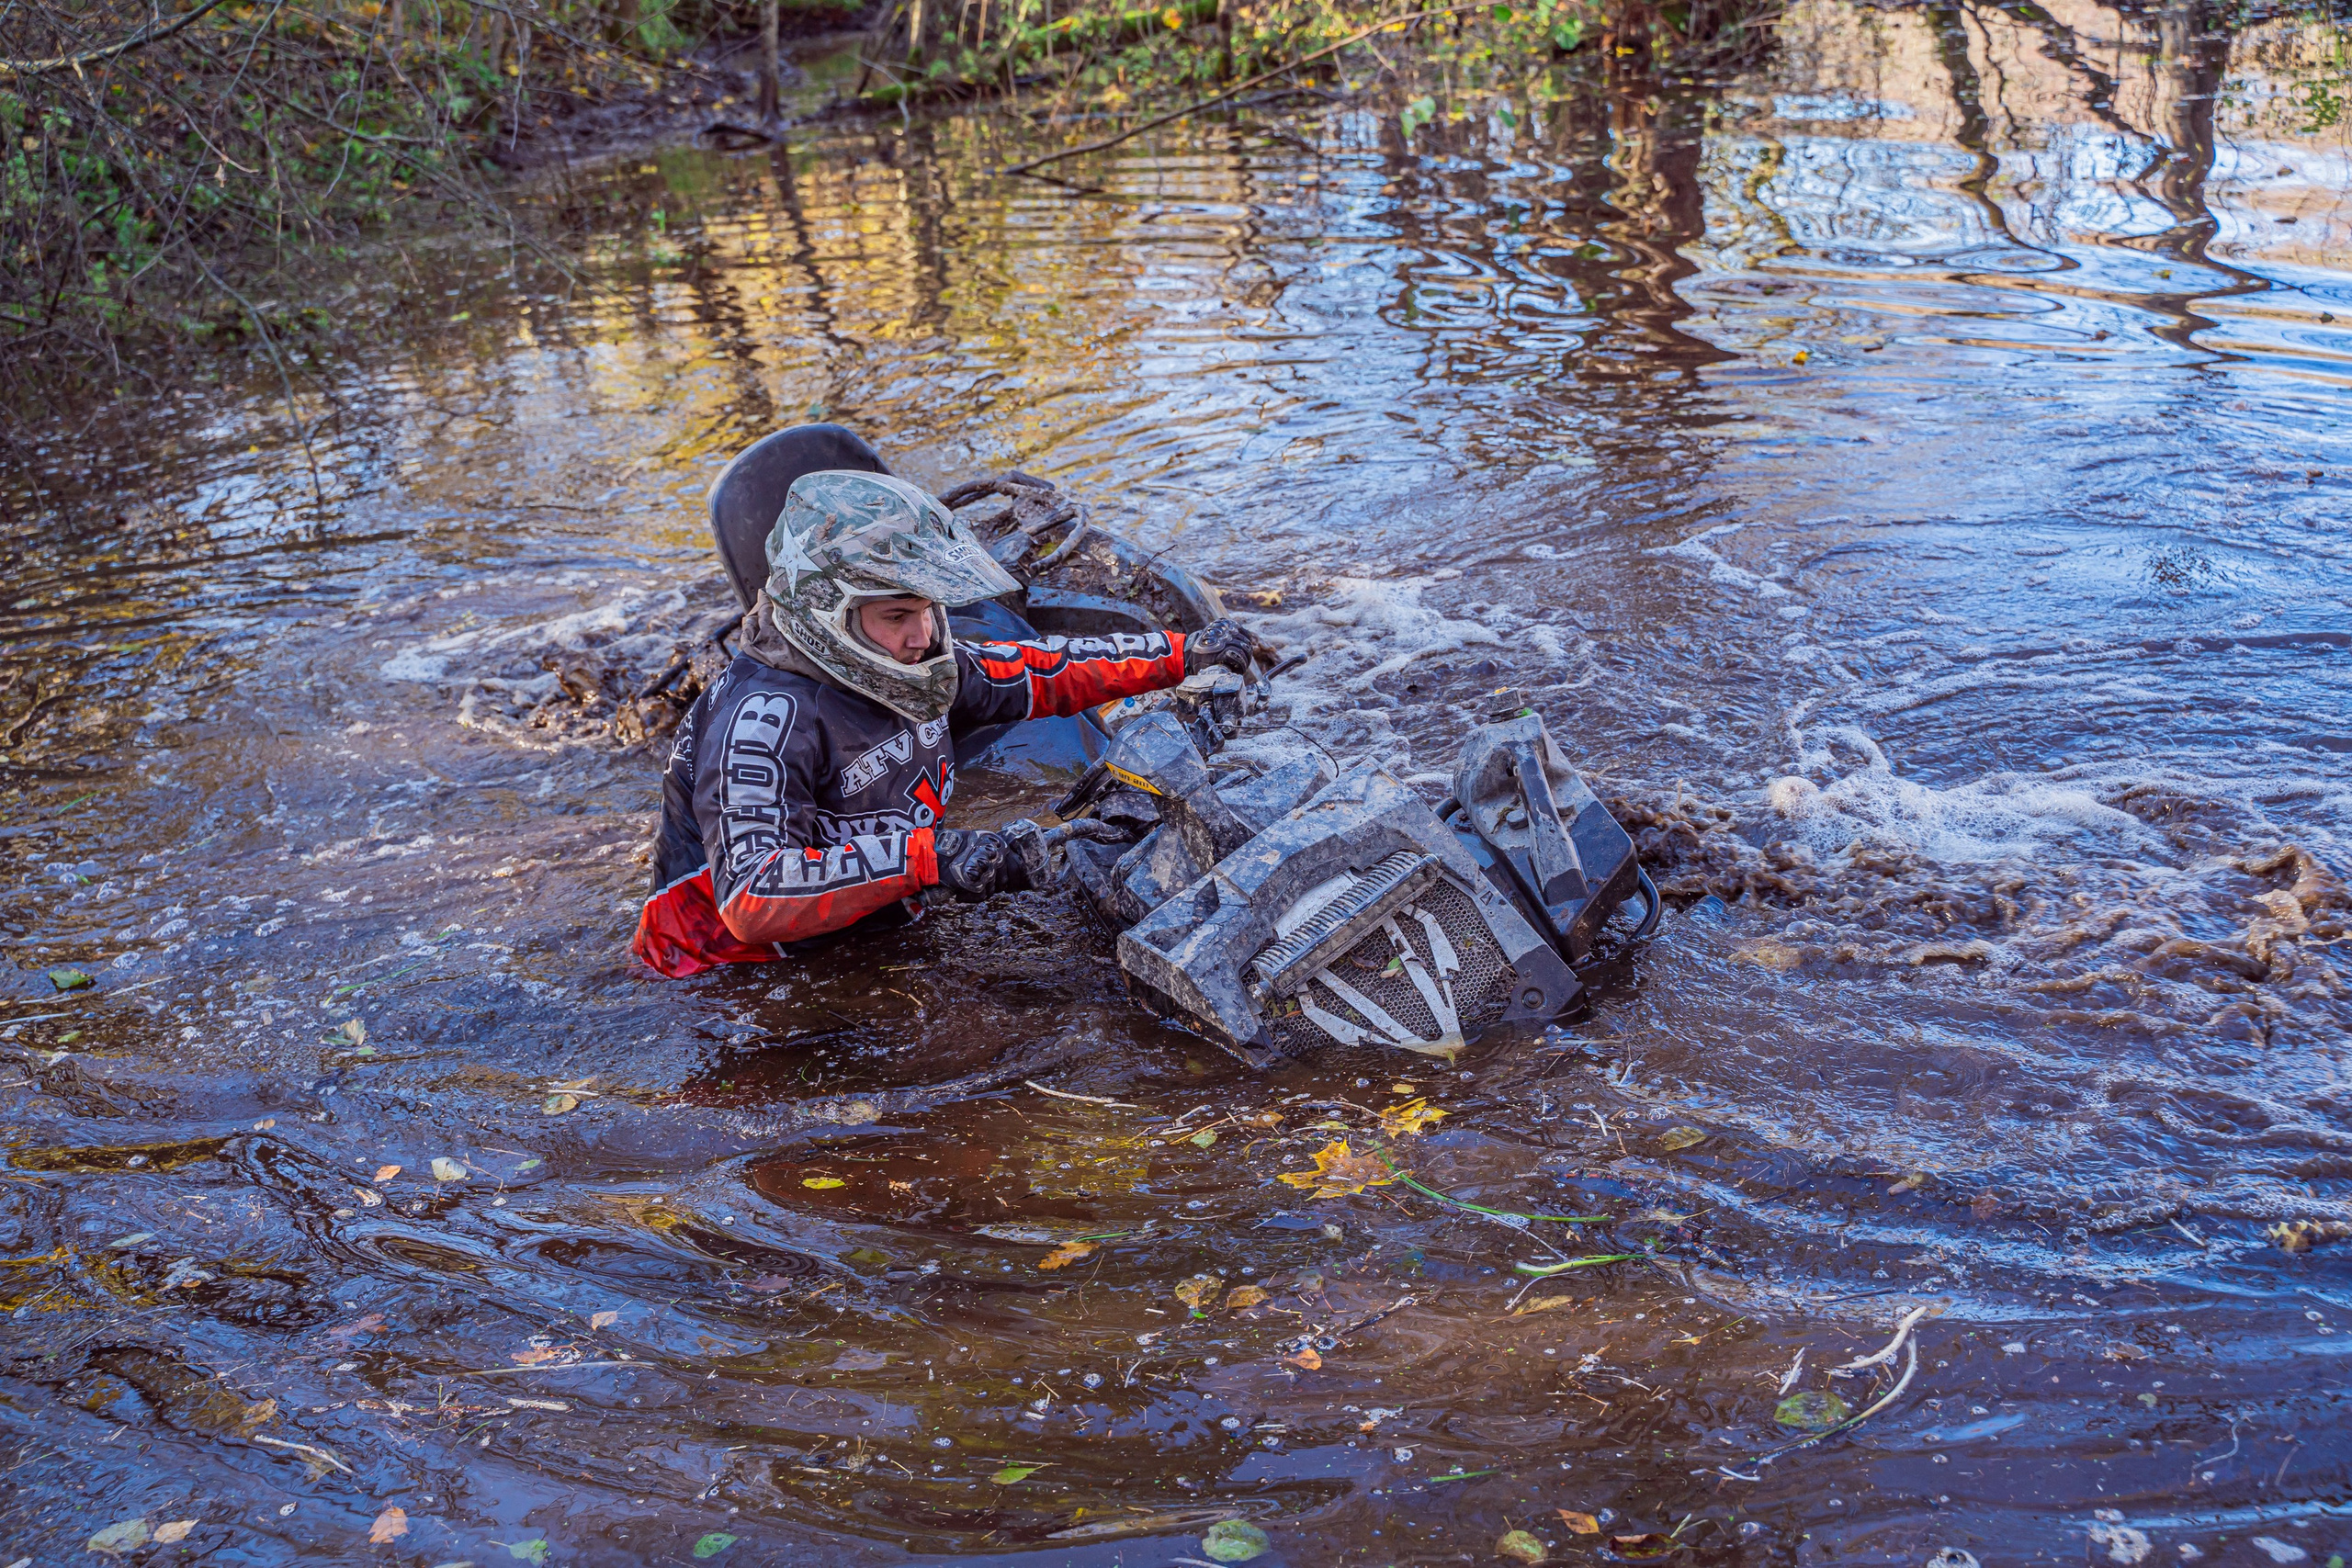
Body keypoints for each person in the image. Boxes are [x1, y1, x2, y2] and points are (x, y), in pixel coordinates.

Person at [632, 468, 1257, 978]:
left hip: (864, 927)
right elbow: (754, 894)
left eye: (930, 610)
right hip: (727, 977)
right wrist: (930, 859)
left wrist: (1181, 655)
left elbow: (1039, 672)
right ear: (829, 613)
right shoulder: (761, 719)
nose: (923, 634)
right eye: (899, 614)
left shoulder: (918, 663)